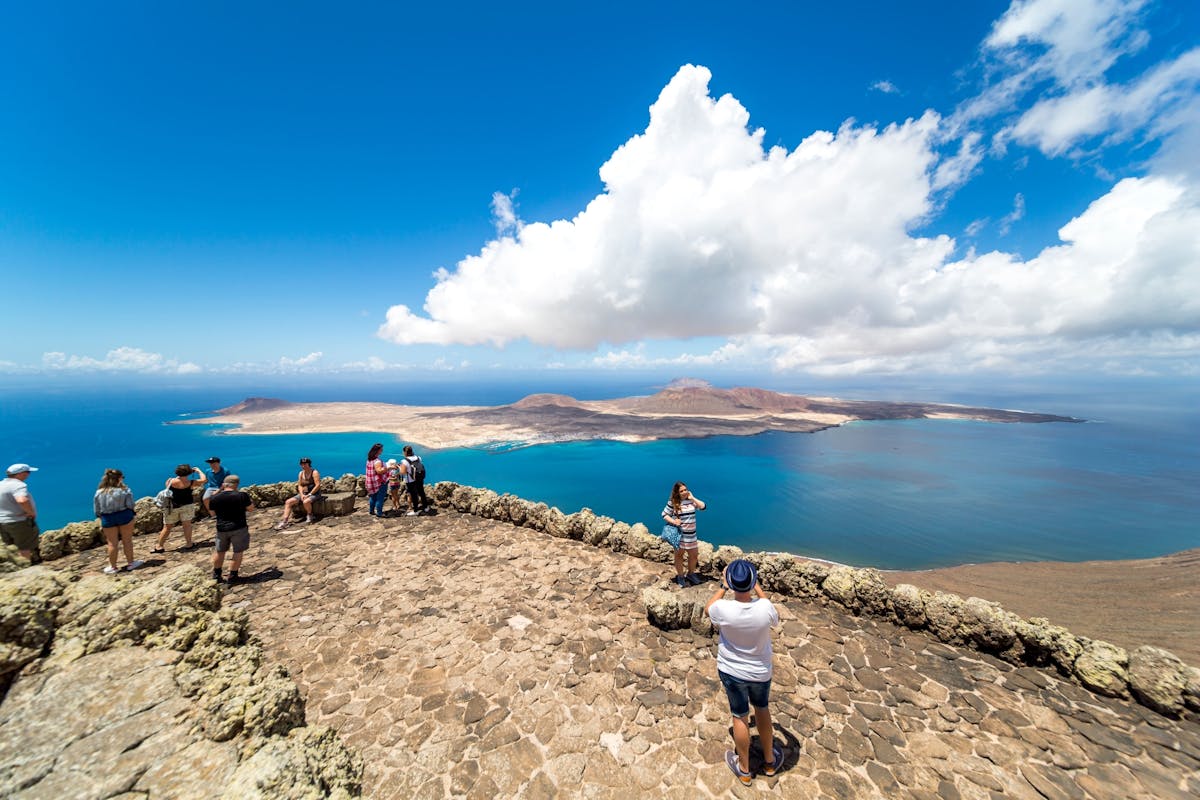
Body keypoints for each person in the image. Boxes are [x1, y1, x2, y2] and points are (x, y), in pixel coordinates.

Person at [705, 559, 783, 786]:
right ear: (752, 582)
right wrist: (756, 586)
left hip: (732, 671)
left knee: (739, 716)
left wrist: (722, 586)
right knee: (762, 710)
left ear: (731, 582)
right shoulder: (765, 608)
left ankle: (745, 769)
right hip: (760, 672)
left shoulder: (723, 609)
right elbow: (771, 613)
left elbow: (708, 608)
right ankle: (769, 762)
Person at [94, 468, 143, 574]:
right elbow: (130, 505)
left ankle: (113, 567)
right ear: (119, 478)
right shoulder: (125, 490)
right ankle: (131, 563)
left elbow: (97, 510)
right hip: (124, 516)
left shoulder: (99, 492)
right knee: (127, 541)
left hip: (108, 518)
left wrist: (101, 517)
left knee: (112, 543)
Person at [209, 474, 254, 584]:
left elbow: (212, 512)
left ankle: (216, 574)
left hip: (221, 528)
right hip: (238, 527)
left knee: (220, 551)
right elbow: (250, 508)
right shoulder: (242, 495)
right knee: (238, 551)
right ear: (236, 484)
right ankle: (233, 575)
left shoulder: (215, 498)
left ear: (224, 484)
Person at [662, 481, 707, 587]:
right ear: (677, 493)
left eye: (685, 490)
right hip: (680, 535)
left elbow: (703, 507)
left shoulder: (690, 501)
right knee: (679, 556)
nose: (684, 492)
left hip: (692, 535)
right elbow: (664, 514)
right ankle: (681, 576)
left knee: (694, 555)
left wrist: (692, 498)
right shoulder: (673, 502)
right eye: (681, 491)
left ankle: (691, 574)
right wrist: (674, 521)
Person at [153, 464, 205, 553]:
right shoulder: (191, 483)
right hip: (187, 506)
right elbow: (204, 480)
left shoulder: (170, 481)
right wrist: (198, 471)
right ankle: (189, 543)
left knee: (167, 527)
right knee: (187, 525)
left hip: (172, 507)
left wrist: (181, 475)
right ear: (189, 473)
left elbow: (168, 488)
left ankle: (159, 546)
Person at [0, 463, 39, 561]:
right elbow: (22, 500)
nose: (28, 474)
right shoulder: (18, 485)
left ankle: (13, 569)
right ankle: (25, 570)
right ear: (20, 473)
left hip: (2, 522)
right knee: (24, 547)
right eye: (28, 472)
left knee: (10, 548)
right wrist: (30, 512)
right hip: (18, 522)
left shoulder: (1, 484)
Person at [277, 457, 321, 529]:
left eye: (305, 464)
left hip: (314, 493)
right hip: (304, 493)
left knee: (306, 502)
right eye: (302, 464)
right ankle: (285, 521)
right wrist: (302, 494)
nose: (303, 466)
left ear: (309, 464)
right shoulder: (301, 473)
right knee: (288, 502)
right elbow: (300, 485)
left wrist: (309, 494)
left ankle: (310, 515)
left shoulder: (314, 472)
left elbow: (318, 485)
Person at [401, 445, 427, 515]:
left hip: (410, 480)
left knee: (414, 495)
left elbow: (402, 472)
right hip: (419, 478)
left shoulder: (404, 461)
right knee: (421, 492)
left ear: (405, 452)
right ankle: (426, 507)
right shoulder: (418, 458)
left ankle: (415, 510)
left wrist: (399, 467)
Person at [364, 443, 388, 518]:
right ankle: (379, 513)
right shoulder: (377, 461)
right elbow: (379, 471)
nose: (382, 450)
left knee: (373, 497)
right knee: (380, 498)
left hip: (370, 482)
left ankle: (371, 511)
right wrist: (388, 468)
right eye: (381, 449)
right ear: (377, 451)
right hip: (379, 482)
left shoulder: (369, 459)